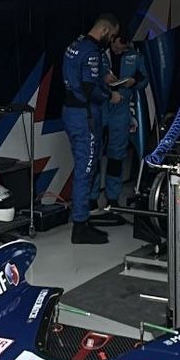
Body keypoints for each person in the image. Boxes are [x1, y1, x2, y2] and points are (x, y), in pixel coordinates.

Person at [61, 13, 118, 244]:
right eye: (112, 35)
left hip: (70, 112)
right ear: (104, 30)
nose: (111, 40)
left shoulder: (75, 45)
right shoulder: (92, 52)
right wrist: (110, 95)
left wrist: (102, 78)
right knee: (86, 169)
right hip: (85, 117)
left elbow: (79, 76)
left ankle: (82, 219)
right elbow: (88, 89)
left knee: (82, 168)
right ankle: (80, 227)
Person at [103, 32, 150, 208]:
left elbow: (144, 78)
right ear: (112, 39)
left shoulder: (134, 56)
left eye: (122, 49)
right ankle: (91, 200)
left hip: (121, 109)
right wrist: (103, 78)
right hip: (100, 106)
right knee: (93, 155)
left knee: (117, 156)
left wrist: (134, 81)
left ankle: (112, 199)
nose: (118, 51)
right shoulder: (98, 53)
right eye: (116, 47)